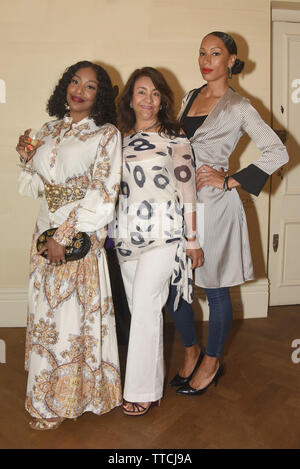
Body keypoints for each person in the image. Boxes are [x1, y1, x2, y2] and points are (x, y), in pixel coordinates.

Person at [167, 32, 289, 396]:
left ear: (231, 60)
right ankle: (191, 352)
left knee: (217, 291)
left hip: (215, 208)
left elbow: (277, 152)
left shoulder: (239, 106)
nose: (206, 59)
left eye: (215, 53)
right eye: (201, 52)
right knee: (178, 286)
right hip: (179, 204)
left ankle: (212, 360)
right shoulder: (190, 97)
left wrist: (231, 179)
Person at [16, 61, 123, 430]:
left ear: (100, 95)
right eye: (75, 81)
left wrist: (64, 237)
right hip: (43, 235)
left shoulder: (106, 134)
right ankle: (47, 394)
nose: (79, 89)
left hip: (77, 236)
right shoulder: (48, 129)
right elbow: (34, 186)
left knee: (69, 321)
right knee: (46, 320)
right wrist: (27, 158)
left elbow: (102, 191)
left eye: (90, 86)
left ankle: (60, 401)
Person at [115, 67, 203, 416]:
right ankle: (149, 383)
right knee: (143, 314)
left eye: (154, 93)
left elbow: (188, 188)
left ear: (162, 98)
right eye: (141, 92)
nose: (148, 99)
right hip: (124, 237)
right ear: (130, 98)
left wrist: (193, 239)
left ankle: (140, 391)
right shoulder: (117, 138)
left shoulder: (174, 135)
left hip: (165, 234)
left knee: (147, 308)